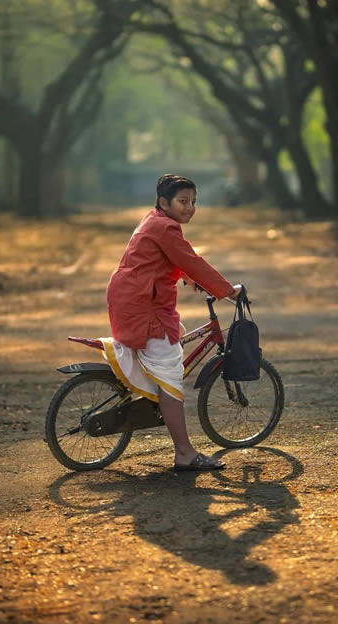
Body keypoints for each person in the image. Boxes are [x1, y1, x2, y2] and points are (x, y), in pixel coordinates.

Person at [102, 174, 240, 471]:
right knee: (170, 376)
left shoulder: (154, 220)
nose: (189, 208)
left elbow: (165, 260)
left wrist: (188, 278)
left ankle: (156, 401)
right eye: (183, 201)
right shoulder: (165, 227)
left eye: (193, 202)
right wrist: (226, 290)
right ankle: (185, 454)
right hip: (144, 306)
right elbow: (190, 260)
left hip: (132, 299)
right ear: (164, 202)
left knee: (169, 351)